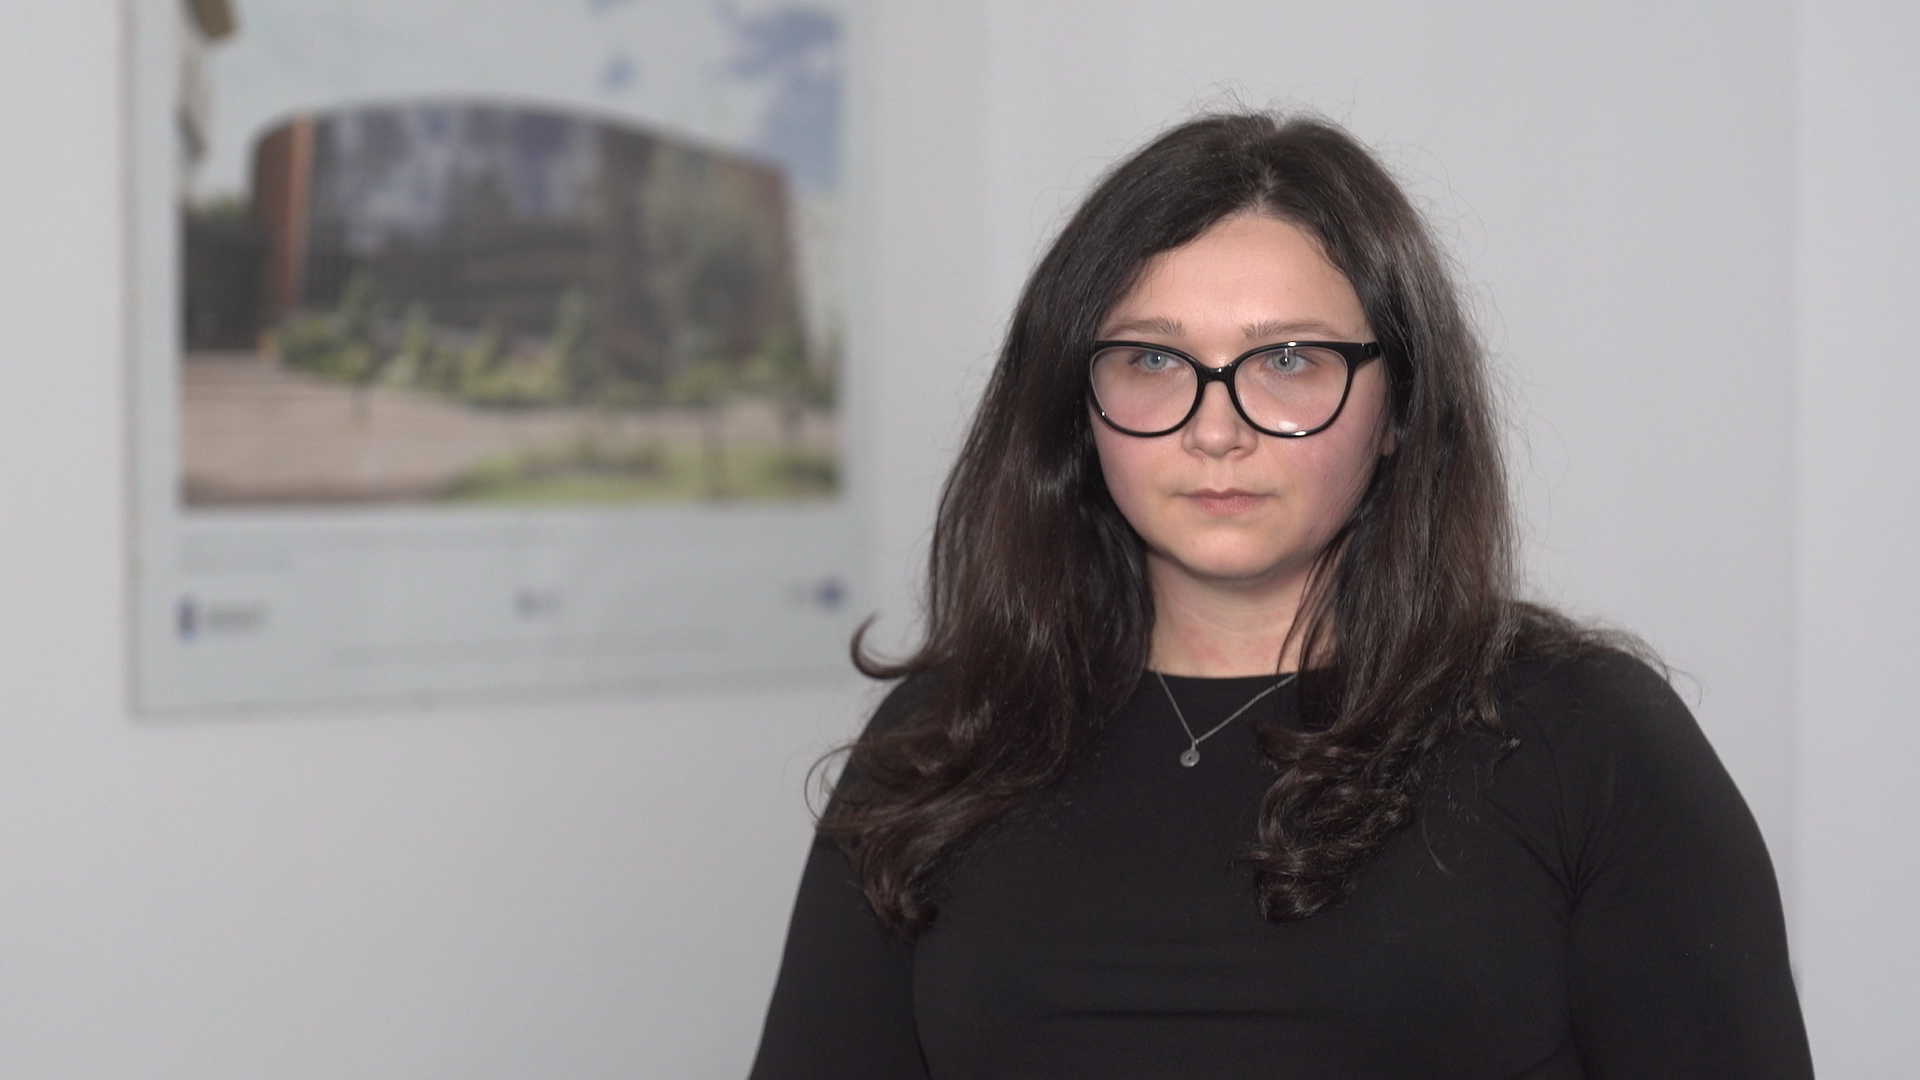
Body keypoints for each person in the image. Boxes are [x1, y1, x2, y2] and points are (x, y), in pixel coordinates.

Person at [748, 112, 1813, 1079]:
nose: (1216, 428)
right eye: (1153, 359)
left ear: (1400, 409)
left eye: (1289, 360)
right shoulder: (949, 737)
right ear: (1078, 407)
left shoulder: (1583, 739)